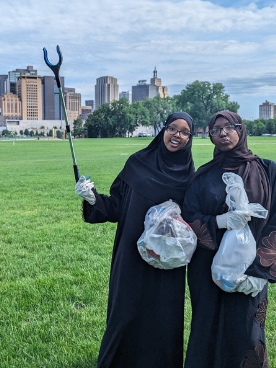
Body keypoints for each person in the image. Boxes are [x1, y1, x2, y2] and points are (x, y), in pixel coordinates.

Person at [77, 111, 195, 368]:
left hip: (166, 260)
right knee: (126, 311)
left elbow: (193, 221)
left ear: (190, 137)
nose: (177, 135)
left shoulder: (189, 175)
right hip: (131, 255)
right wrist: (93, 198)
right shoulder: (137, 164)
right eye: (172, 128)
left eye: (185, 132)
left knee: (162, 316)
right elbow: (117, 207)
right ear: (163, 130)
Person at [183, 111, 276, 368]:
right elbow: (189, 216)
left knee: (246, 330)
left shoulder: (268, 170)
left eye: (229, 126)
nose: (223, 133)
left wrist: (261, 271)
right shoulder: (203, 176)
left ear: (241, 130)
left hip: (249, 268)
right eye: (215, 129)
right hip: (207, 268)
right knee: (206, 328)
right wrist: (220, 221)